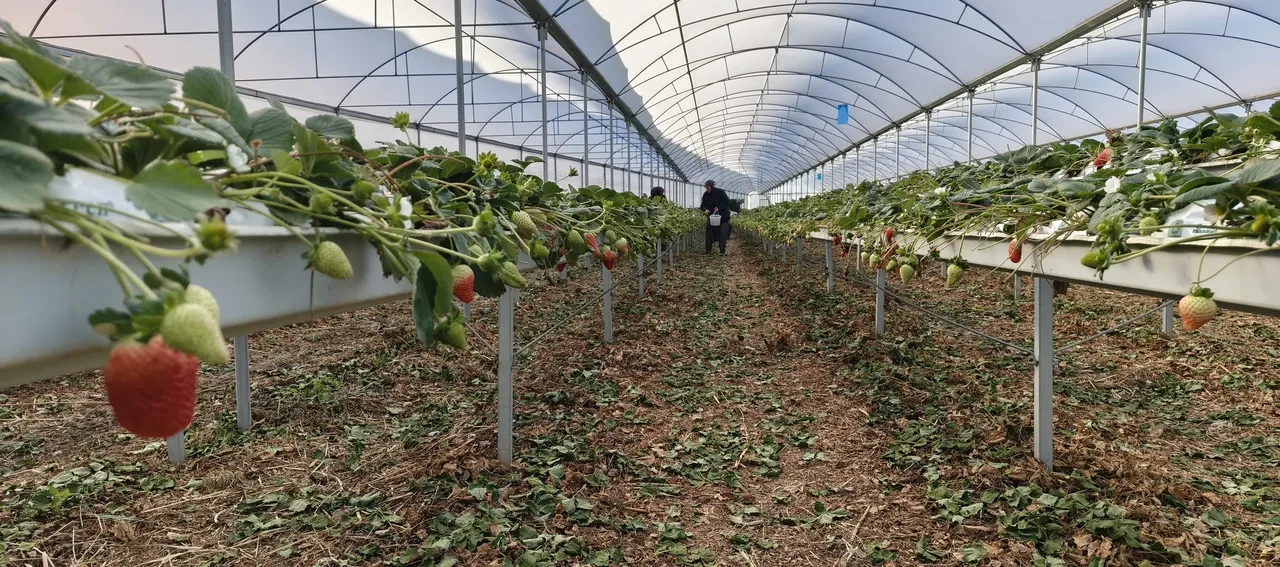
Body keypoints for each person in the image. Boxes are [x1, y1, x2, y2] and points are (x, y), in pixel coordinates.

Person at [700, 180, 731, 255]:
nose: (707, 189)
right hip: (712, 218)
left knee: (722, 234)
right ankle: (708, 250)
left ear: (712, 186)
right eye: (706, 188)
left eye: (708, 187)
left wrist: (719, 207)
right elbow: (702, 206)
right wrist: (705, 209)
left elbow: (727, 202)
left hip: (723, 217)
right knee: (709, 233)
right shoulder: (706, 195)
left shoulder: (720, 192)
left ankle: (722, 251)